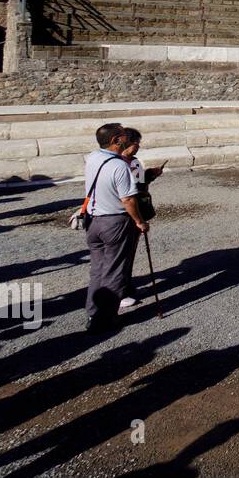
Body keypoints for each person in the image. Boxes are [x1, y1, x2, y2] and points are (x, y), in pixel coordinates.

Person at [82, 124, 148, 332]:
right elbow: (128, 199)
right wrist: (139, 221)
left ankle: (93, 312)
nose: (127, 138)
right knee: (114, 271)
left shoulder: (93, 157)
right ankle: (104, 319)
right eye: (123, 135)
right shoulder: (119, 166)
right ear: (116, 140)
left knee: (98, 270)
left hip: (94, 221)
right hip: (114, 222)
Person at [116, 127, 164, 309]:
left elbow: (141, 181)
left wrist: (152, 174)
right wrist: (139, 221)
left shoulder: (134, 162)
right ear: (127, 142)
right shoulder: (117, 163)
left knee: (128, 252)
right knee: (119, 254)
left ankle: (125, 286)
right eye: (137, 143)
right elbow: (127, 195)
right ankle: (118, 292)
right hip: (123, 212)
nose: (138, 146)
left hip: (136, 209)